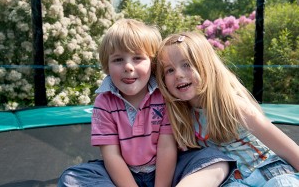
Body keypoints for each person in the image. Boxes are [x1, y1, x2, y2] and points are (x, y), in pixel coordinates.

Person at [58, 19, 236, 187]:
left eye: (137, 58)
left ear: (152, 63)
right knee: (72, 178)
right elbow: (111, 155)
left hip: (168, 171)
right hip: (122, 176)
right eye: (118, 59)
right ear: (107, 66)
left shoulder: (162, 95)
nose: (128, 67)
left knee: (215, 161)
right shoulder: (104, 102)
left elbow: (167, 146)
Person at [155, 31, 299, 186]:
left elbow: (290, 151)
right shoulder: (181, 116)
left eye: (187, 65)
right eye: (169, 70)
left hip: (267, 172)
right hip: (233, 181)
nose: (178, 74)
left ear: (207, 67)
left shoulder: (234, 107)